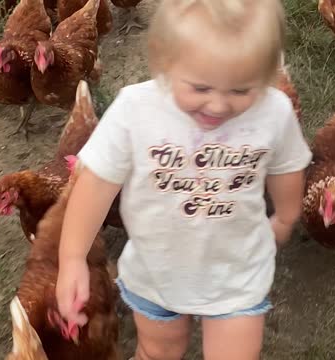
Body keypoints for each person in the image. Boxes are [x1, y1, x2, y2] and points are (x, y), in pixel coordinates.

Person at [55, 0, 312, 359]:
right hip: (156, 270)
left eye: (240, 90)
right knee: (158, 351)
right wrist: (72, 258)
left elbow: (288, 166)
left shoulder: (273, 111)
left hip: (237, 271)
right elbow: (96, 183)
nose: (219, 106)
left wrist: (285, 215)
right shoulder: (135, 110)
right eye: (201, 88)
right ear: (165, 60)